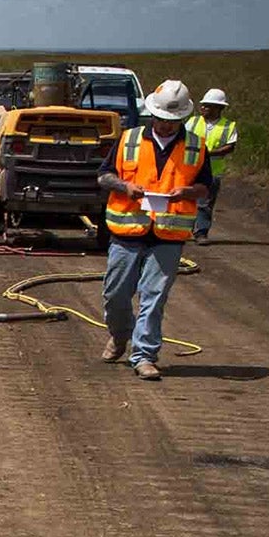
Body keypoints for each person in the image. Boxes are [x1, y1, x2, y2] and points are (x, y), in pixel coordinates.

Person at [98, 78, 212, 380]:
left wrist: (187, 193)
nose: (165, 126)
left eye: (172, 121)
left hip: (168, 236)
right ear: (152, 114)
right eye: (161, 120)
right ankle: (121, 335)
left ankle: (144, 355)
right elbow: (103, 177)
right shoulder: (128, 139)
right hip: (126, 231)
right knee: (115, 295)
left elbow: (205, 188)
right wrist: (125, 187)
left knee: (154, 296)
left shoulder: (196, 147)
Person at [187, 88, 237, 242]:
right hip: (190, 168)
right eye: (203, 105)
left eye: (208, 106)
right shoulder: (193, 121)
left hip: (212, 171)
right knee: (186, 200)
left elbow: (230, 146)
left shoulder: (228, 126)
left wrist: (209, 154)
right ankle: (183, 230)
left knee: (205, 203)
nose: (203, 108)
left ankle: (201, 233)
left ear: (219, 108)